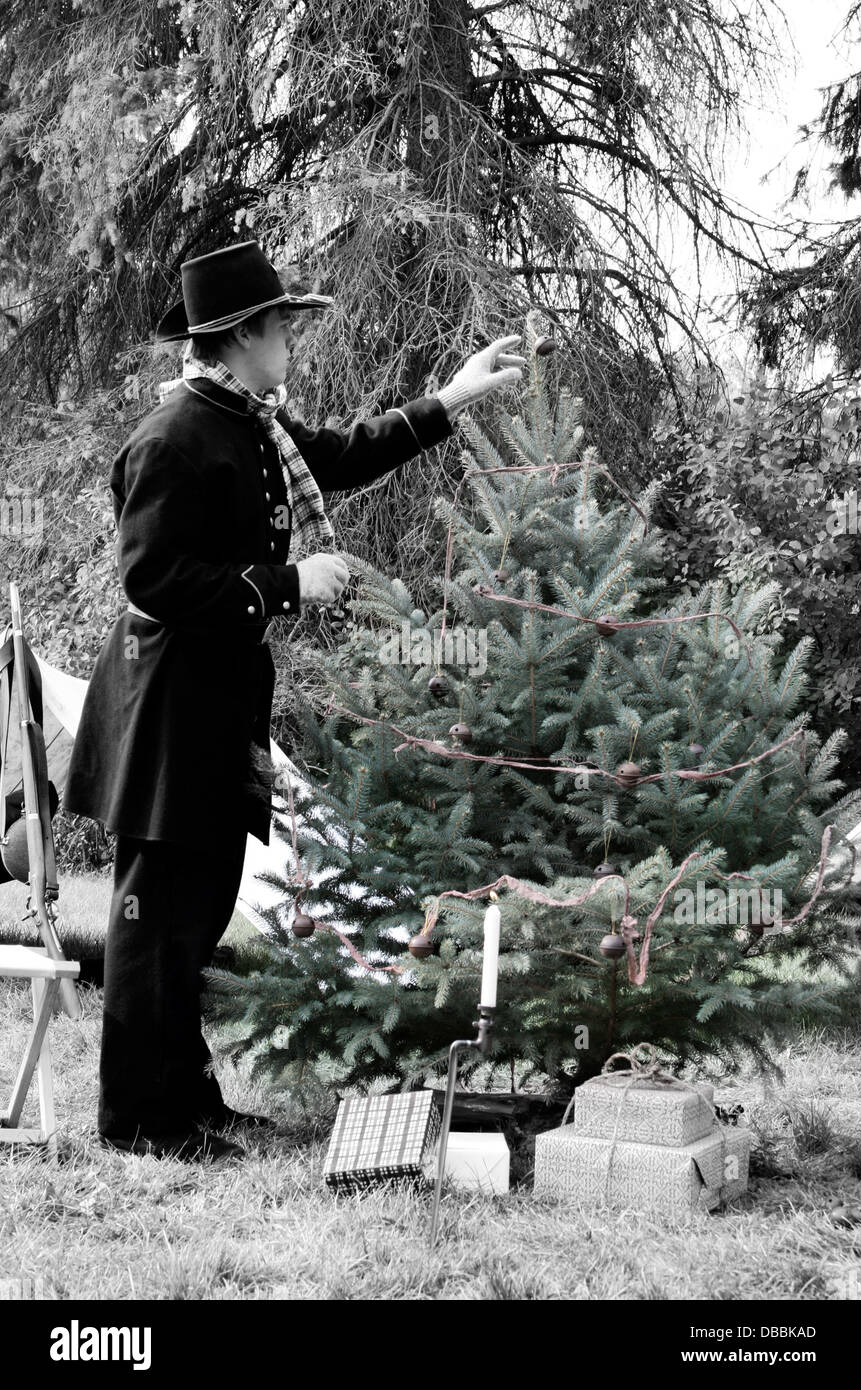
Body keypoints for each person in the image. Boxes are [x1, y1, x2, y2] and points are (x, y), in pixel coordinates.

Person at [64, 240, 525, 1161]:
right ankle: (139, 1121)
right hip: (165, 706)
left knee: (200, 903)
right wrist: (286, 583)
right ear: (240, 336)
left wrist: (456, 395)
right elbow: (152, 576)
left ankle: (188, 1101)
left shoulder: (253, 424)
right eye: (283, 326)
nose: (293, 343)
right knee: (157, 917)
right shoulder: (172, 436)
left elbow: (346, 454)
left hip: (218, 698)